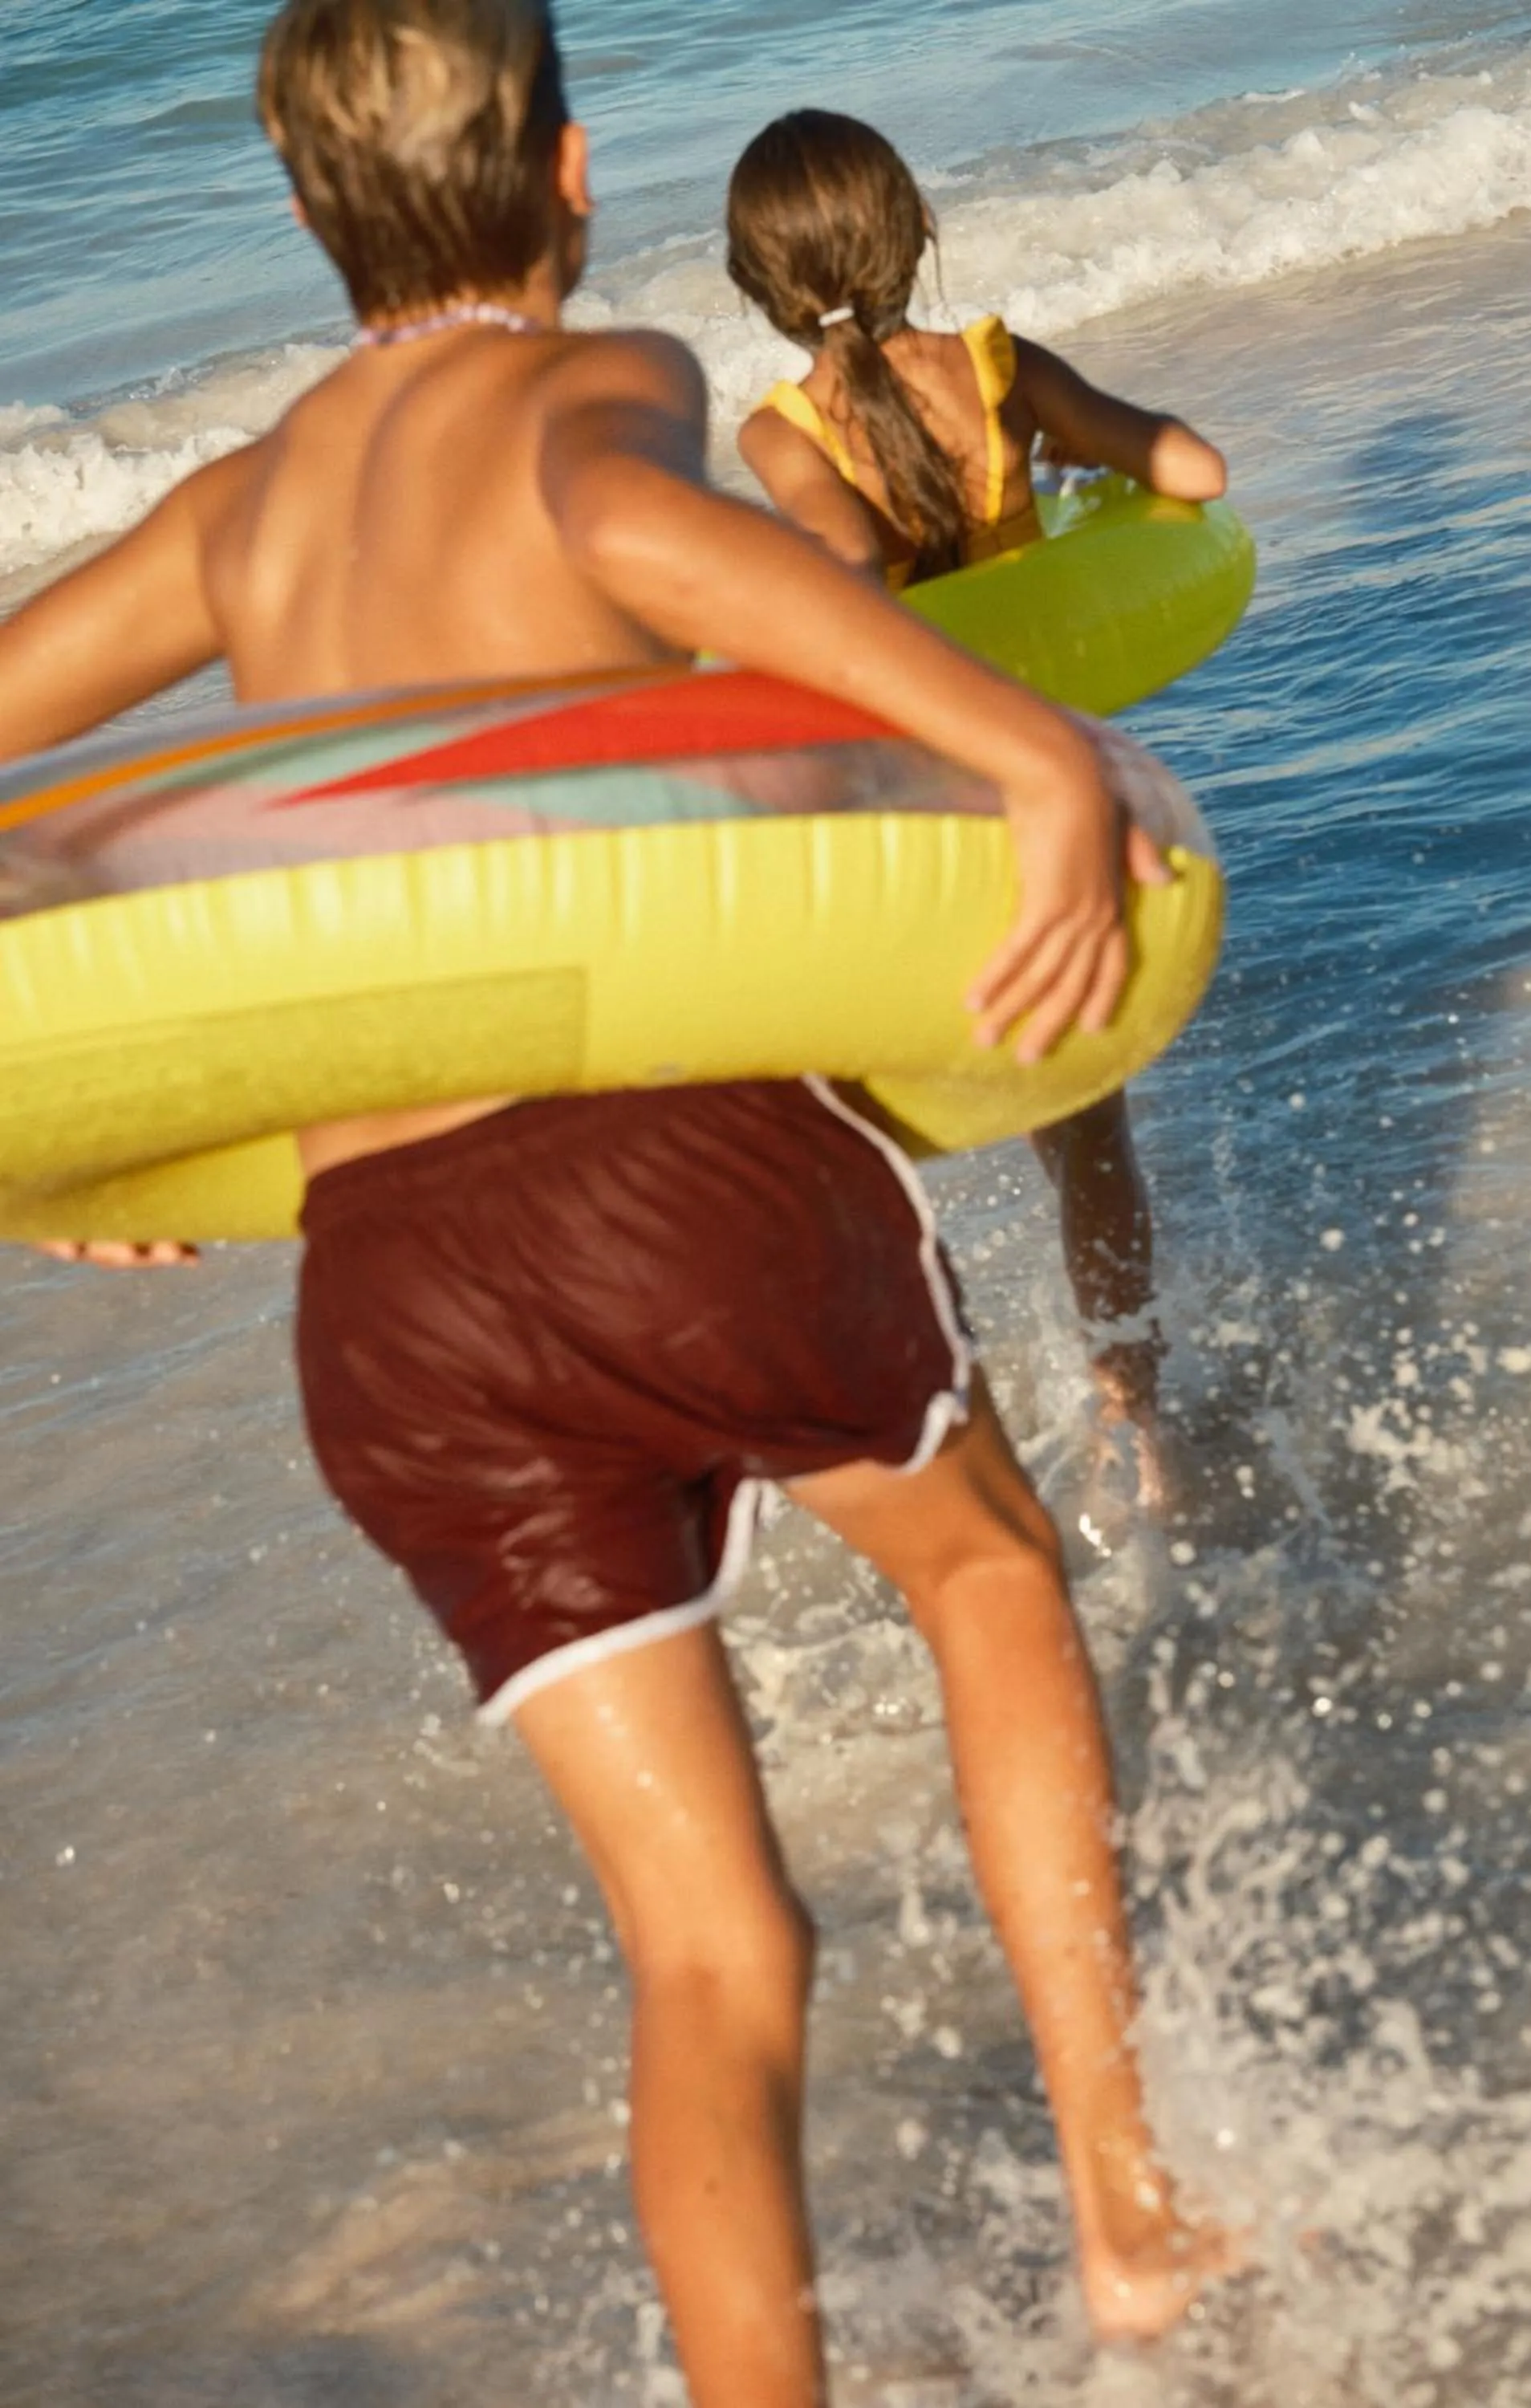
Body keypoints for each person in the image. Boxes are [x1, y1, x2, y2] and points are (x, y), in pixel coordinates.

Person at [0, 6, 1243, 2403]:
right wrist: (1030, 753)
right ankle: (1128, 2212)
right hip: (666, 1167)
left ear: (292, 212)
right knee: (983, 1571)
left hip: (391, 1301)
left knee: (710, 1956)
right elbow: (649, 543)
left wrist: (77, 1134)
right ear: (572, 173)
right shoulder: (596, 384)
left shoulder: (241, 505)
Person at [727, 109, 1230, 1502]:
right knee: (1086, 1143)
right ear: (919, 234)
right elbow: (1193, 470)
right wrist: (1060, 487)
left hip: (913, 833)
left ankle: (909, 1428)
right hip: (1057, 814)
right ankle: (1137, 1420)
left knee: (854, 1135)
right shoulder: (1004, 368)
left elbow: (842, 573)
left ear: (752, 284)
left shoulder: (778, 435)